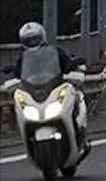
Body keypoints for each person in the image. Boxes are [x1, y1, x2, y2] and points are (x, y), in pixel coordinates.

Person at [5, 23, 90, 154]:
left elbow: (68, 65)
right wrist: (11, 76)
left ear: (42, 37)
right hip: (35, 92)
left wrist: (73, 68)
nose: (32, 42)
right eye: (29, 40)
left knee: (75, 98)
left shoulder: (55, 52)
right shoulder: (24, 58)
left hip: (54, 89)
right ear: (23, 42)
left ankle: (79, 131)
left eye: (35, 39)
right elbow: (18, 73)